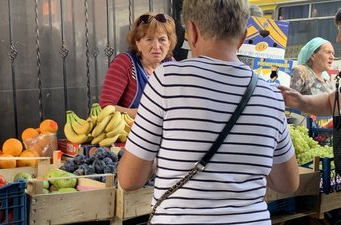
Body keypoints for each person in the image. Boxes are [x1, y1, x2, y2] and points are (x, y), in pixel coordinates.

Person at [118, 1, 299, 224]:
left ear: (191, 31)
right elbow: (288, 184)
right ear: (243, 37)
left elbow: (129, 179)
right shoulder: (270, 93)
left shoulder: (166, 79)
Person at [99, 12, 177, 119]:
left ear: (169, 43)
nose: (156, 46)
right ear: (138, 43)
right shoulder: (124, 63)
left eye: (162, 39)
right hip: (129, 132)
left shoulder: (172, 65)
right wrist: (144, 114)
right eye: (149, 39)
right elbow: (106, 107)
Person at [279, 8, 341, 116]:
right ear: (312, 55)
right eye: (328, 52)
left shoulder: (326, 79)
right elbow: (331, 104)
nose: (338, 38)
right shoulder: (301, 72)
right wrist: (301, 102)